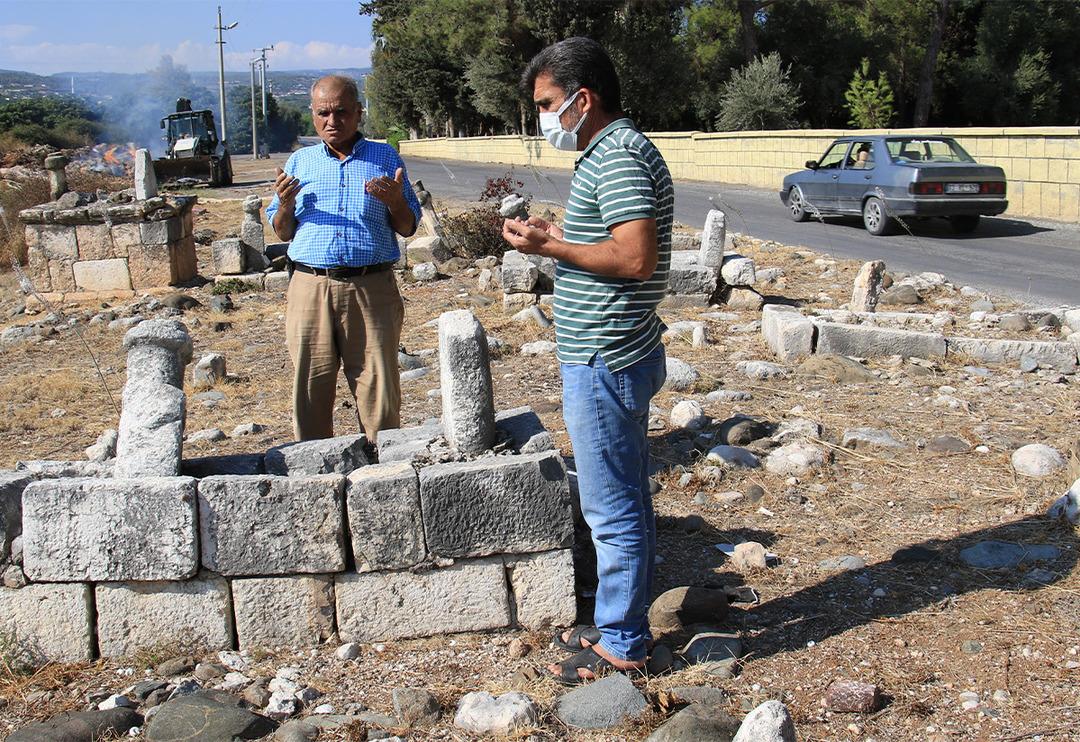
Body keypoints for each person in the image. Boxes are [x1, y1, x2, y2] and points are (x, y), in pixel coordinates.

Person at [502, 37, 674, 685]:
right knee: (625, 495)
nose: (542, 118)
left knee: (610, 507)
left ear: (582, 99)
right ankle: (622, 622)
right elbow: (614, 245)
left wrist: (555, 249)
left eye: (546, 104)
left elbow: (633, 258)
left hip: (605, 356)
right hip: (613, 349)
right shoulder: (613, 153)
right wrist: (556, 240)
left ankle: (623, 644)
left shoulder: (618, 157)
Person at [266, 74, 421, 445]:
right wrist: (285, 204)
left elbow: (408, 226)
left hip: (371, 288)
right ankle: (316, 471)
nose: (332, 121)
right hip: (309, 287)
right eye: (323, 113)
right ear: (312, 115)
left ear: (358, 113)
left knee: (378, 385)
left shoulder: (384, 157)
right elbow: (282, 231)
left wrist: (396, 202)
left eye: (341, 112)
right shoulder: (299, 162)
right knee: (310, 385)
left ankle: (384, 472)